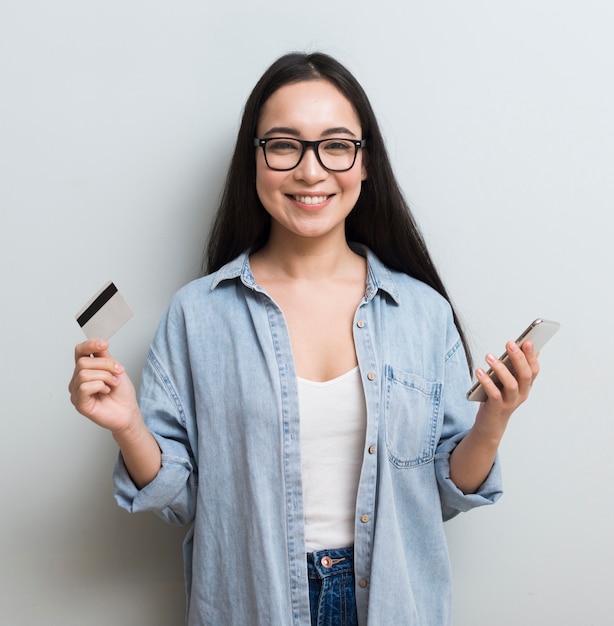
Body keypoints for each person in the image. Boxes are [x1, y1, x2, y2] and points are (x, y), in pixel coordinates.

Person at [69, 52, 540, 626]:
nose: (311, 171)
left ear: (366, 164)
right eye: (284, 144)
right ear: (255, 160)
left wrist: (494, 419)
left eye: (336, 145)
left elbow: (444, 492)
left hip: (393, 604)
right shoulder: (198, 315)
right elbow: (181, 498)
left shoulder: (422, 312)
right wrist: (127, 425)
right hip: (250, 604)